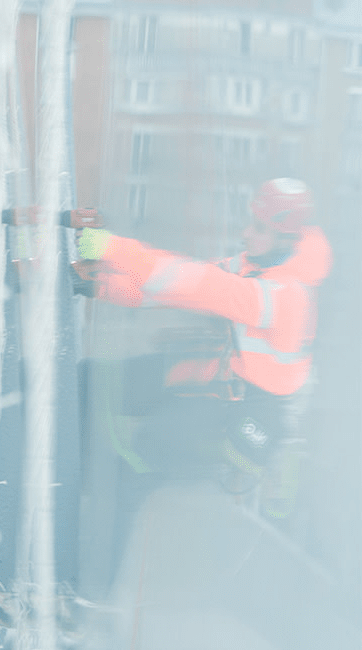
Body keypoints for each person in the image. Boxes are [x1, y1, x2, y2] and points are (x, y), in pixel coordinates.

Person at [75, 178, 332, 509]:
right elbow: (178, 287)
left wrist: (113, 249)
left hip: (228, 416)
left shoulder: (287, 297)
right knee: (91, 382)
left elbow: (202, 287)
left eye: (259, 229)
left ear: (284, 240)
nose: (246, 235)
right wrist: (103, 284)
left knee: (140, 461)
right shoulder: (257, 267)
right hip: (211, 381)